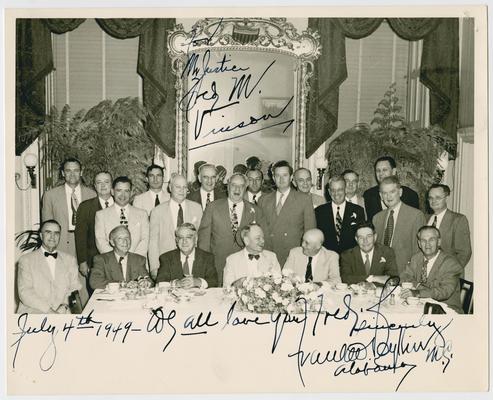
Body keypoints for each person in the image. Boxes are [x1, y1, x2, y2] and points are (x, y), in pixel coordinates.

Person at [198, 173, 264, 286]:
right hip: (217, 265)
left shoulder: (255, 210)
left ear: (245, 188)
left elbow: (261, 241)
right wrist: (205, 266)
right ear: (227, 186)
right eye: (233, 185)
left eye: (241, 186)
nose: (237, 189)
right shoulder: (213, 207)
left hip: (245, 267)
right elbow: (204, 240)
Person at [258, 160, 316, 266]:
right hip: (268, 255)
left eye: (285, 175)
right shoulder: (263, 200)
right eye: (277, 175)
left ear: (291, 178)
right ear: (273, 178)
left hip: (292, 256)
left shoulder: (304, 200)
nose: (281, 179)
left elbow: (310, 232)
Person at [17, 220, 81, 314]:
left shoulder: (70, 260)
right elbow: (25, 293)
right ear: (41, 236)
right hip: (34, 312)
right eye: (48, 232)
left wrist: (64, 305)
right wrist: (49, 311)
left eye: (56, 233)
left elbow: (74, 288)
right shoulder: (26, 260)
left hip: (63, 311)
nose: (52, 237)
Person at [148, 174, 203, 279]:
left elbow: (199, 238)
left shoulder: (197, 208)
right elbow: (153, 241)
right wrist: (154, 268)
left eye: (184, 187)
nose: (181, 190)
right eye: (178, 187)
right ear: (170, 187)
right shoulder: (157, 211)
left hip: (190, 263)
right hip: (166, 264)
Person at [400, 226, 463, 313]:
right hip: (422, 305)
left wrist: (417, 292)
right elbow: (404, 276)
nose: (427, 244)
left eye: (431, 240)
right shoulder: (416, 258)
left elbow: (444, 292)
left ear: (439, 242)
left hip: (445, 310)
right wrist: (419, 287)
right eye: (423, 240)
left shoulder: (451, 263)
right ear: (419, 243)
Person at [41, 157, 96, 257]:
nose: (72, 174)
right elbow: (47, 226)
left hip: (85, 245)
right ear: (63, 173)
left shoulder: (92, 195)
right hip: (60, 244)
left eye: (76, 170)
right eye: (68, 171)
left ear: (81, 172)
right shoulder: (50, 195)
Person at [373, 176, 426, 273]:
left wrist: (411, 274)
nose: (388, 197)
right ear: (380, 196)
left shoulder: (416, 216)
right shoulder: (377, 218)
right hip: (381, 273)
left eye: (392, 192)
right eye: (385, 193)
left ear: (400, 192)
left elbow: (419, 251)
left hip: (404, 272)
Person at [75, 171, 113, 296]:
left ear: (112, 185)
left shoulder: (122, 205)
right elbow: (80, 237)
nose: (103, 186)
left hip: (119, 263)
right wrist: (82, 262)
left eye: (106, 182)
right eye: (99, 182)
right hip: (94, 262)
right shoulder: (85, 207)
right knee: (97, 298)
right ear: (95, 186)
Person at [95, 176, 149, 257]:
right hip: (112, 264)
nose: (123, 195)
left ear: (131, 193)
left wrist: (133, 260)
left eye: (126, 191)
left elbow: (145, 240)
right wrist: (116, 259)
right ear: (112, 192)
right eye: (119, 190)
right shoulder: (101, 215)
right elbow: (101, 241)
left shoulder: (142, 214)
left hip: (136, 263)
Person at [155, 223, 218, 288]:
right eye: (181, 238)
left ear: (196, 239)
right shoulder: (166, 258)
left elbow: (214, 281)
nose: (184, 241)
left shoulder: (207, 257)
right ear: (176, 240)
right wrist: (176, 283)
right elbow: (159, 284)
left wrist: (198, 282)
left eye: (188, 237)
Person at [315, 175, 365, 254]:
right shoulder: (319, 211)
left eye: (340, 190)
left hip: (350, 259)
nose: (336, 194)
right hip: (327, 258)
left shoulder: (358, 211)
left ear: (345, 190)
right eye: (333, 190)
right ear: (329, 191)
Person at [427, 184, 472, 268]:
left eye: (438, 198)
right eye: (430, 198)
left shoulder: (458, 220)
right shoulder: (425, 219)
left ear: (446, 198)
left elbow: (464, 253)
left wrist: (450, 272)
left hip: (448, 276)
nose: (433, 201)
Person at [363, 156, 420, 221]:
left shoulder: (410, 195)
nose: (381, 174)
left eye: (385, 170)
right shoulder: (368, 195)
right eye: (378, 171)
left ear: (393, 171)